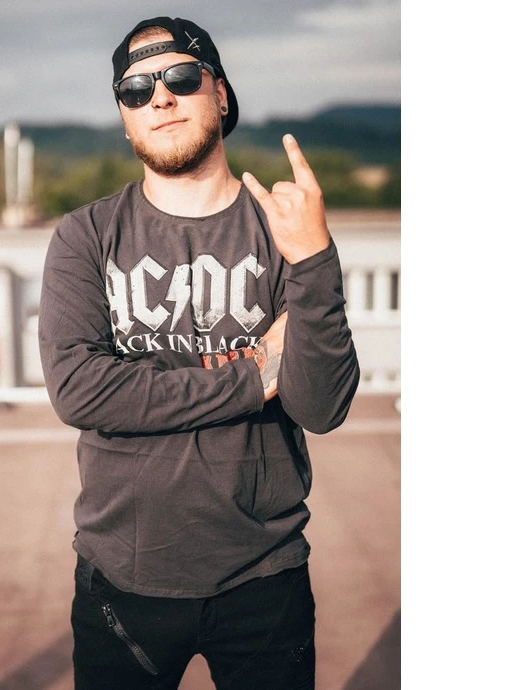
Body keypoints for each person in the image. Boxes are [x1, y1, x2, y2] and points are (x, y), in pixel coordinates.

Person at [39, 15, 360, 690]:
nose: (159, 98)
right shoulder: (85, 236)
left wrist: (314, 259)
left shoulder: (284, 232)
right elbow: (81, 391)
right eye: (135, 90)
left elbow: (321, 407)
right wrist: (253, 376)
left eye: (181, 78)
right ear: (125, 118)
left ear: (220, 92)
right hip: (121, 578)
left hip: (264, 574)